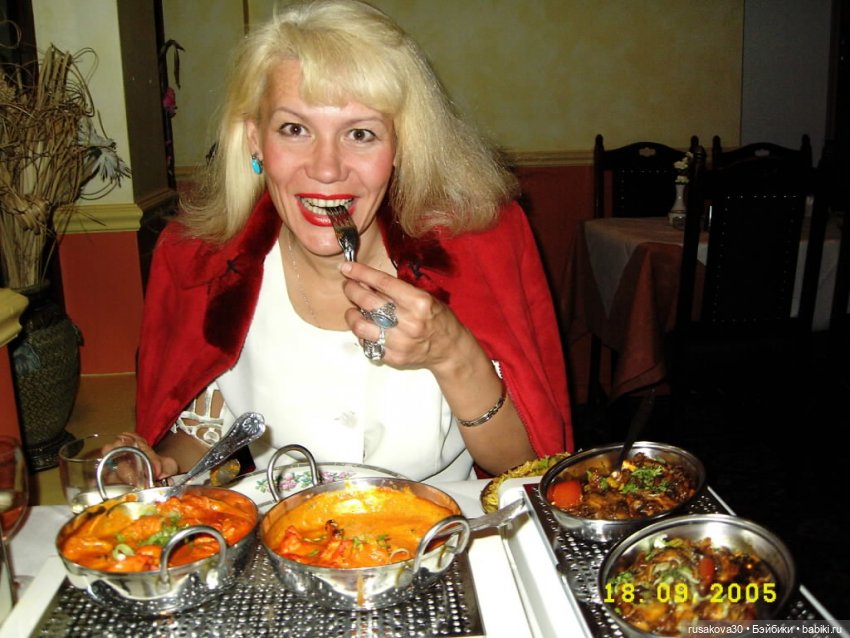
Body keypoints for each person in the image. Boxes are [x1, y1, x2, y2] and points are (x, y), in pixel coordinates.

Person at [128, 0, 573, 483]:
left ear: (402, 145)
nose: (326, 169)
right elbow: (203, 429)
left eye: (360, 134)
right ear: (255, 140)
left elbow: (529, 470)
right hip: (282, 527)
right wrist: (157, 466)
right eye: (294, 129)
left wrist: (453, 354)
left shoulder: (479, 248)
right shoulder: (203, 262)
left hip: (444, 524)